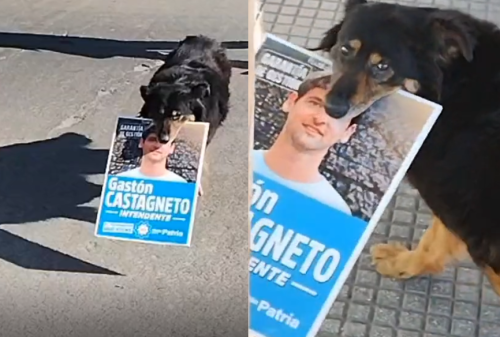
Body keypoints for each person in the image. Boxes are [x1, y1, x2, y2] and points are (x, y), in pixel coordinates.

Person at [253, 72, 362, 215]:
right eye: (314, 103)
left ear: (348, 132)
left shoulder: (334, 212)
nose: (320, 118)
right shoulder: (236, 165)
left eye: (338, 114)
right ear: (291, 102)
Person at [117, 124, 187, 183]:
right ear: (141, 142)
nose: (157, 145)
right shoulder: (121, 180)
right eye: (152, 140)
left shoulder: (180, 183)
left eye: (163, 141)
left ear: (172, 148)